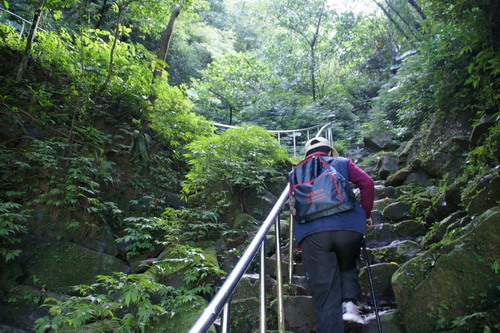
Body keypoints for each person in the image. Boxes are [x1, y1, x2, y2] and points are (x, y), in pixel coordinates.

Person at [288, 137, 374, 333]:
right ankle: (349, 305)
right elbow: (367, 183)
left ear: (306, 155)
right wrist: (365, 215)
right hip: (349, 229)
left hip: (313, 235)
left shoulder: (295, 173)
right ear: (329, 152)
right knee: (347, 262)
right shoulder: (342, 163)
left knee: (324, 292)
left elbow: (293, 205)